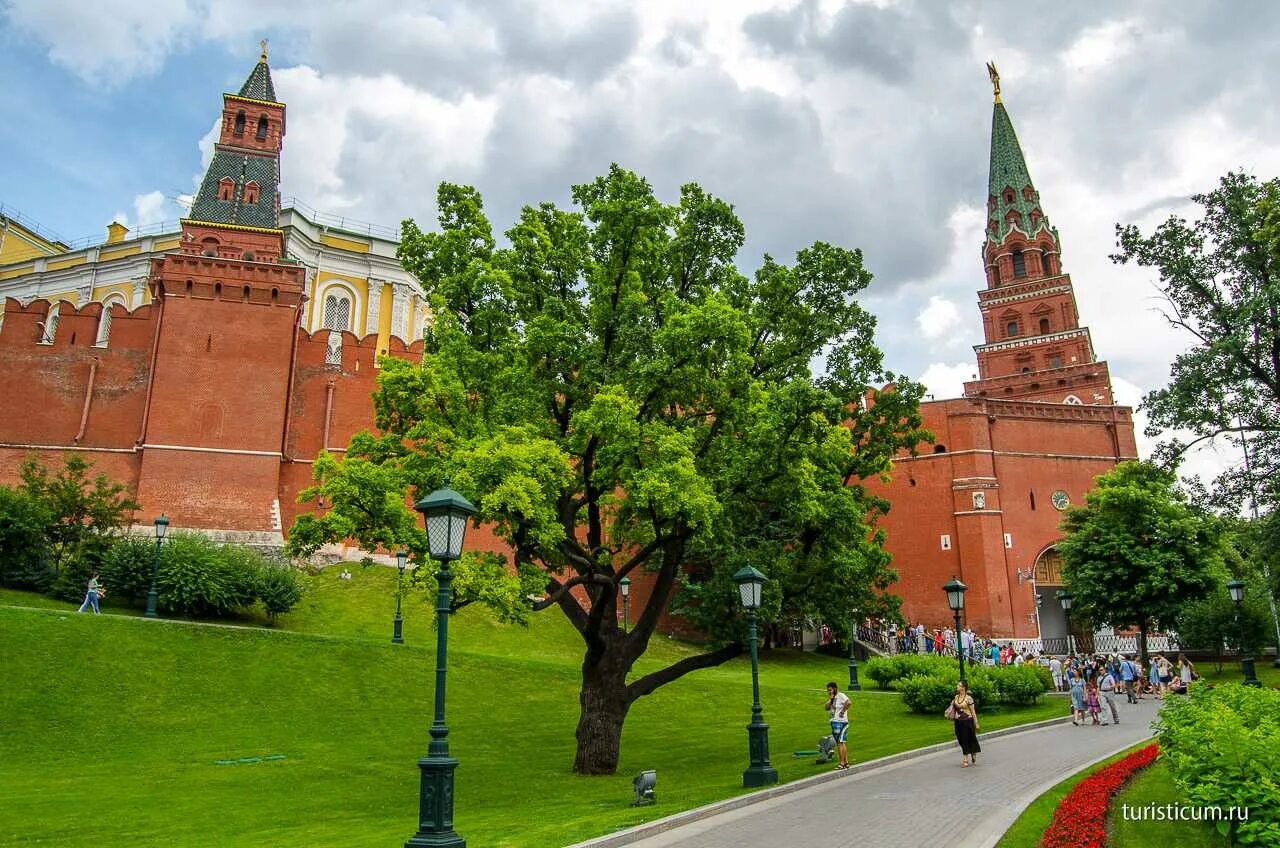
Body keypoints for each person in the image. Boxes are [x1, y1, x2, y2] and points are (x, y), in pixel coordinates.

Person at [949, 680, 981, 767]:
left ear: (963, 688)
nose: (957, 686)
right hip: (958, 722)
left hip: (967, 722)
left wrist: (976, 723)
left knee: (966, 739)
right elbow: (953, 708)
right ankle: (973, 751)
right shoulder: (956, 697)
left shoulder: (969, 698)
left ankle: (965, 759)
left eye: (959, 685)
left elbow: (973, 712)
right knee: (961, 740)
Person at [824, 681, 851, 770]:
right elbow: (826, 708)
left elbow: (849, 702)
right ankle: (846, 762)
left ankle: (841, 763)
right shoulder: (833, 698)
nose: (829, 692)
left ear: (835, 689)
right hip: (834, 721)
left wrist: (842, 712)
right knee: (841, 742)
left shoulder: (841, 695)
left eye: (830, 690)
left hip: (840, 721)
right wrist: (831, 699)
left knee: (839, 743)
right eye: (828, 690)